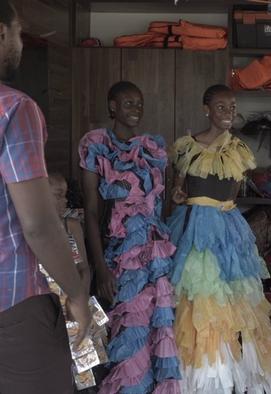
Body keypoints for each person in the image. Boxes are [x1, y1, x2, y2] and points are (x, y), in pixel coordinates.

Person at [0, 2, 91, 393]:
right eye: (18, 32)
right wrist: (76, 295)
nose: (20, 42)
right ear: (2, 33)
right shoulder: (13, 108)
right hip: (13, 307)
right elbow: (37, 225)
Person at [167, 84, 271, 394]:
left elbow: (231, 194)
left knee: (232, 302)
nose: (228, 112)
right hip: (193, 230)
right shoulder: (186, 147)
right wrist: (179, 195)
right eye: (221, 107)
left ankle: (227, 372)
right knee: (199, 300)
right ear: (207, 109)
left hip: (226, 230)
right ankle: (199, 376)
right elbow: (178, 191)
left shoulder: (238, 150)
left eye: (232, 107)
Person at [80, 81, 180, 393]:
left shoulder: (153, 148)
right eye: (127, 104)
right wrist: (100, 267)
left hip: (154, 255)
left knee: (155, 331)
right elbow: (92, 213)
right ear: (112, 107)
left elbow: (161, 208)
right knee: (126, 333)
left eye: (139, 103)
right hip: (119, 256)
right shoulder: (96, 145)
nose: (135, 109)